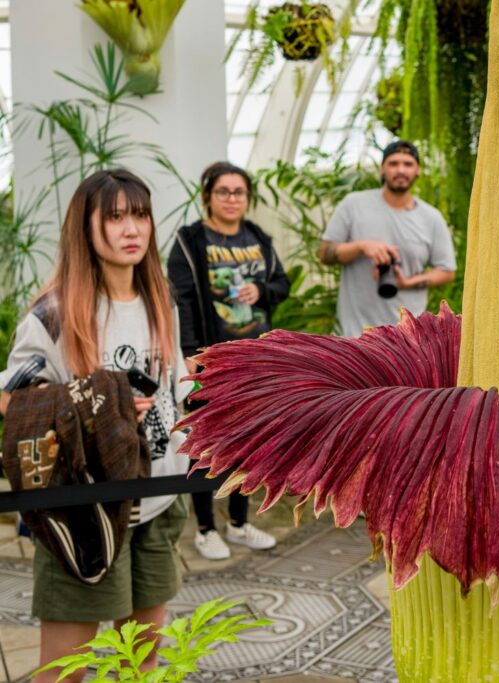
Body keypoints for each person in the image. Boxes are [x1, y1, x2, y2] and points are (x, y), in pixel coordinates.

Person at [0, 169, 191, 683]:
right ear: (84, 228)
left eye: (141, 215)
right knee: (65, 673)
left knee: (143, 665)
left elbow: (178, 384)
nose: (132, 229)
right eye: (114, 217)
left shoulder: (161, 299)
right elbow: (12, 401)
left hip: (158, 499)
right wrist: (100, 407)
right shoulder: (55, 313)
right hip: (84, 511)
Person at [167, 162, 289, 560]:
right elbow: (180, 300)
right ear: (208, 196)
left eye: (239, 192)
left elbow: (281, 284)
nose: (232, 199)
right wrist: (189, 353)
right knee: (205, 444)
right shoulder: (190, 241)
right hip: (210, 361)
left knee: (249, 444)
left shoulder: (258, 237)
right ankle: (205, 529)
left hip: (255, 361)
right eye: (224, 192)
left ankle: (238, 523)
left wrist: (261, 290)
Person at [319, 140, 457, 337]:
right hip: (357, 335)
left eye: (408, 164)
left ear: (418, 170)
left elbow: (447, 271)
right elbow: (325, 253)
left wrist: (408, 282)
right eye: (393, 163)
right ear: (382, 169)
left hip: (408, 338)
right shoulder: (353, 204)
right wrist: (362, 247)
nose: (400, 170)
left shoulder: (431, 217)